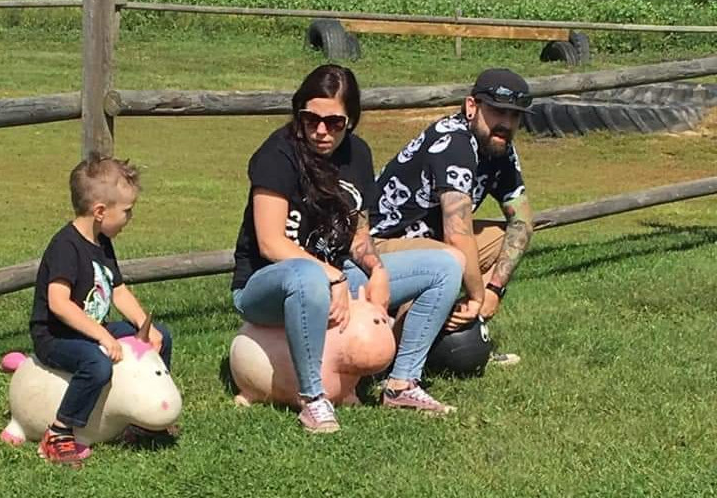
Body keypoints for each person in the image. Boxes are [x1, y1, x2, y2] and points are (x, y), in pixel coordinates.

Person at [231, 64, 463, 433]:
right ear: (298, 113)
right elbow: (271, 243)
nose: (321, 131)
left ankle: (402, 383)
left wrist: (377, 269)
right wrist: (332, 276)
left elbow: (358, 234)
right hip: (266, 285)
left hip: (333, 275)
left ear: (350, 120)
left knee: (447, 266)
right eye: (311, 119)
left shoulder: (358, 155)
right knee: (307, 276)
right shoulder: (277, 154)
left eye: (334, 122)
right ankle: (313, 399)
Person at [369, 68, 535, 365]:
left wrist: (493, 290)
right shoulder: (454, 143)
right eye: (498, 112)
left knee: (505, 239)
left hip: (427, 241)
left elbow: (522, 220)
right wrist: (477, 296)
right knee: (446, 259)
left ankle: (458, 335)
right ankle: (391, 362)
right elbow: (457, 234)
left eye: (515, 116)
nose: (506, 124)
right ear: (472, 106)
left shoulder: (500, 148)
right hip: (376, 244)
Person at [29, 155, 174, 466]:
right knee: (97, 364)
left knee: (163, 337)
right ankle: (59, 432)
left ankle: (144, 419)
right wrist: (103, 337)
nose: (130, 217)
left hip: (92, 328)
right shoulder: (65, 247)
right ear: (99, 212)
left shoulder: (101, 242)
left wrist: (144, 325)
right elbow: (58, 303)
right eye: (127, 211)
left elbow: (117, 289)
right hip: (56, 336)